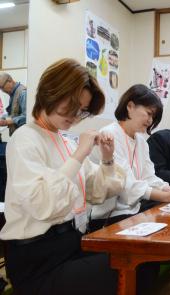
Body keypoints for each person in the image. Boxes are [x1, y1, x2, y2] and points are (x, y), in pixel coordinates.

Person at [0, 58, 126, 295]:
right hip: (37, 258)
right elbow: (43, 204)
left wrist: (107, 159)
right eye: (72, 105)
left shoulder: (66, 142)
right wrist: (79, 155)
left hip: (70, 244)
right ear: (51, 91)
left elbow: (98, 193)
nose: (75, 116)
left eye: (81, 110)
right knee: (122, 269)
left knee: (135, 259)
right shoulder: (25, 138)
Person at [90, 84, 170, 231]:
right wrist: (168, 196)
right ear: (130, 106)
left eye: (154, 116)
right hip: (108, 217)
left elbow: (149, 177)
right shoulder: (108, 135)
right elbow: (126, 186)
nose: (151, 120)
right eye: (149, 113)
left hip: (133, 210)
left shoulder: (140, 141)